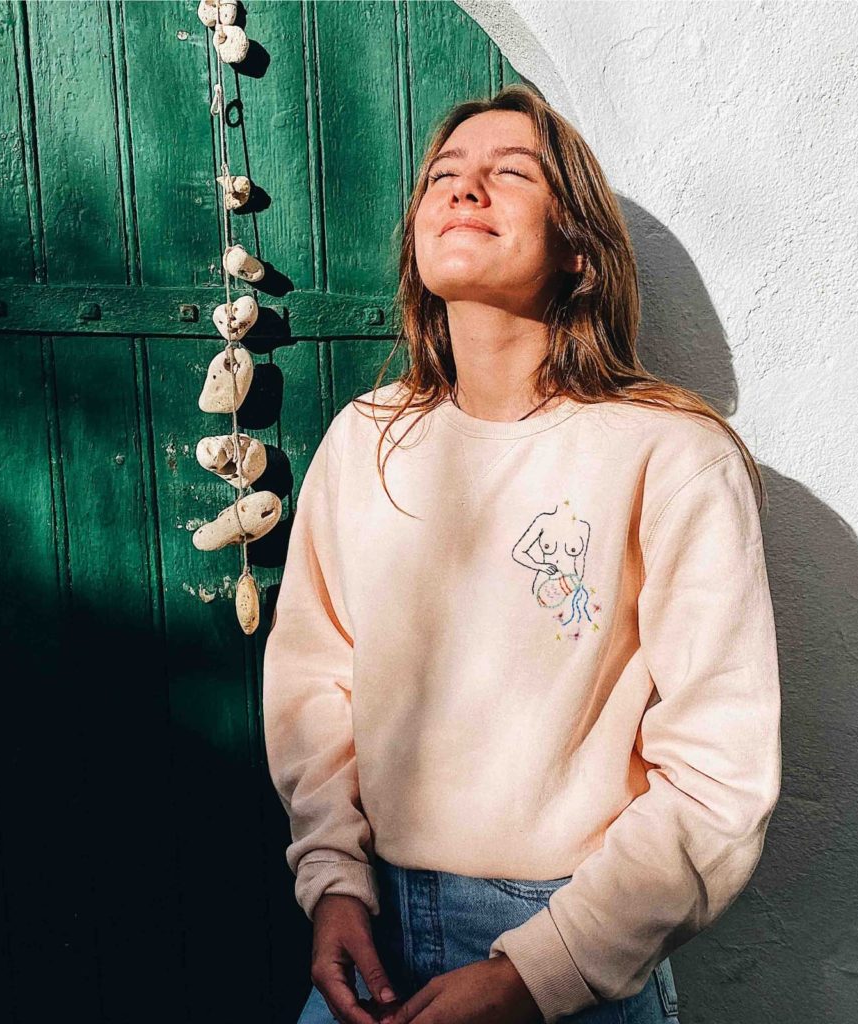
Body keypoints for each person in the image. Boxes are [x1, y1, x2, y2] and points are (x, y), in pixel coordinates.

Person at [262, 84, 782, 1024]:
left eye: (511, 173)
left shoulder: (670, 454)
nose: (465, 189)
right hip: (374, 936)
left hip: (571, 945)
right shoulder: (364, 439)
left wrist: (540, 972)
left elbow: (719, 774)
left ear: (577, 246)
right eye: (444, 176)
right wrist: (332, 881)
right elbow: (314, 681)